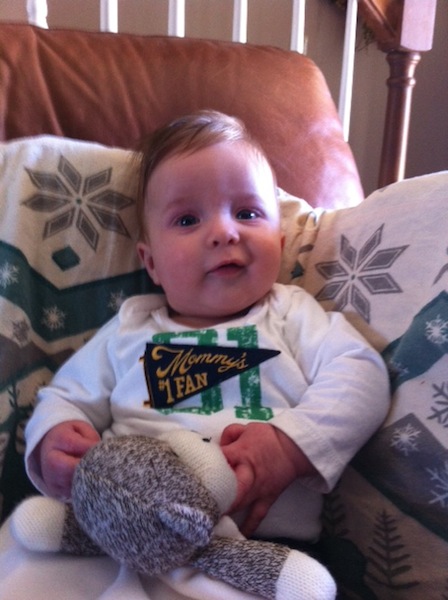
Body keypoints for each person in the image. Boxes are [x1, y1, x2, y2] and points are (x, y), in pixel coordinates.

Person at [25, 110, 390, 546]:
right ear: (152, 263)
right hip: (127, 539)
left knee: (303, 583)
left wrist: (292, 445)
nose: (223, 232)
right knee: (27, 553)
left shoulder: (290, 313)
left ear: (279, 244)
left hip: (257, 548)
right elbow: (65, 395)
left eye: (247, 213)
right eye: (187, 220)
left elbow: (361, 372)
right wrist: (55, 436)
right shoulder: (131, 328)